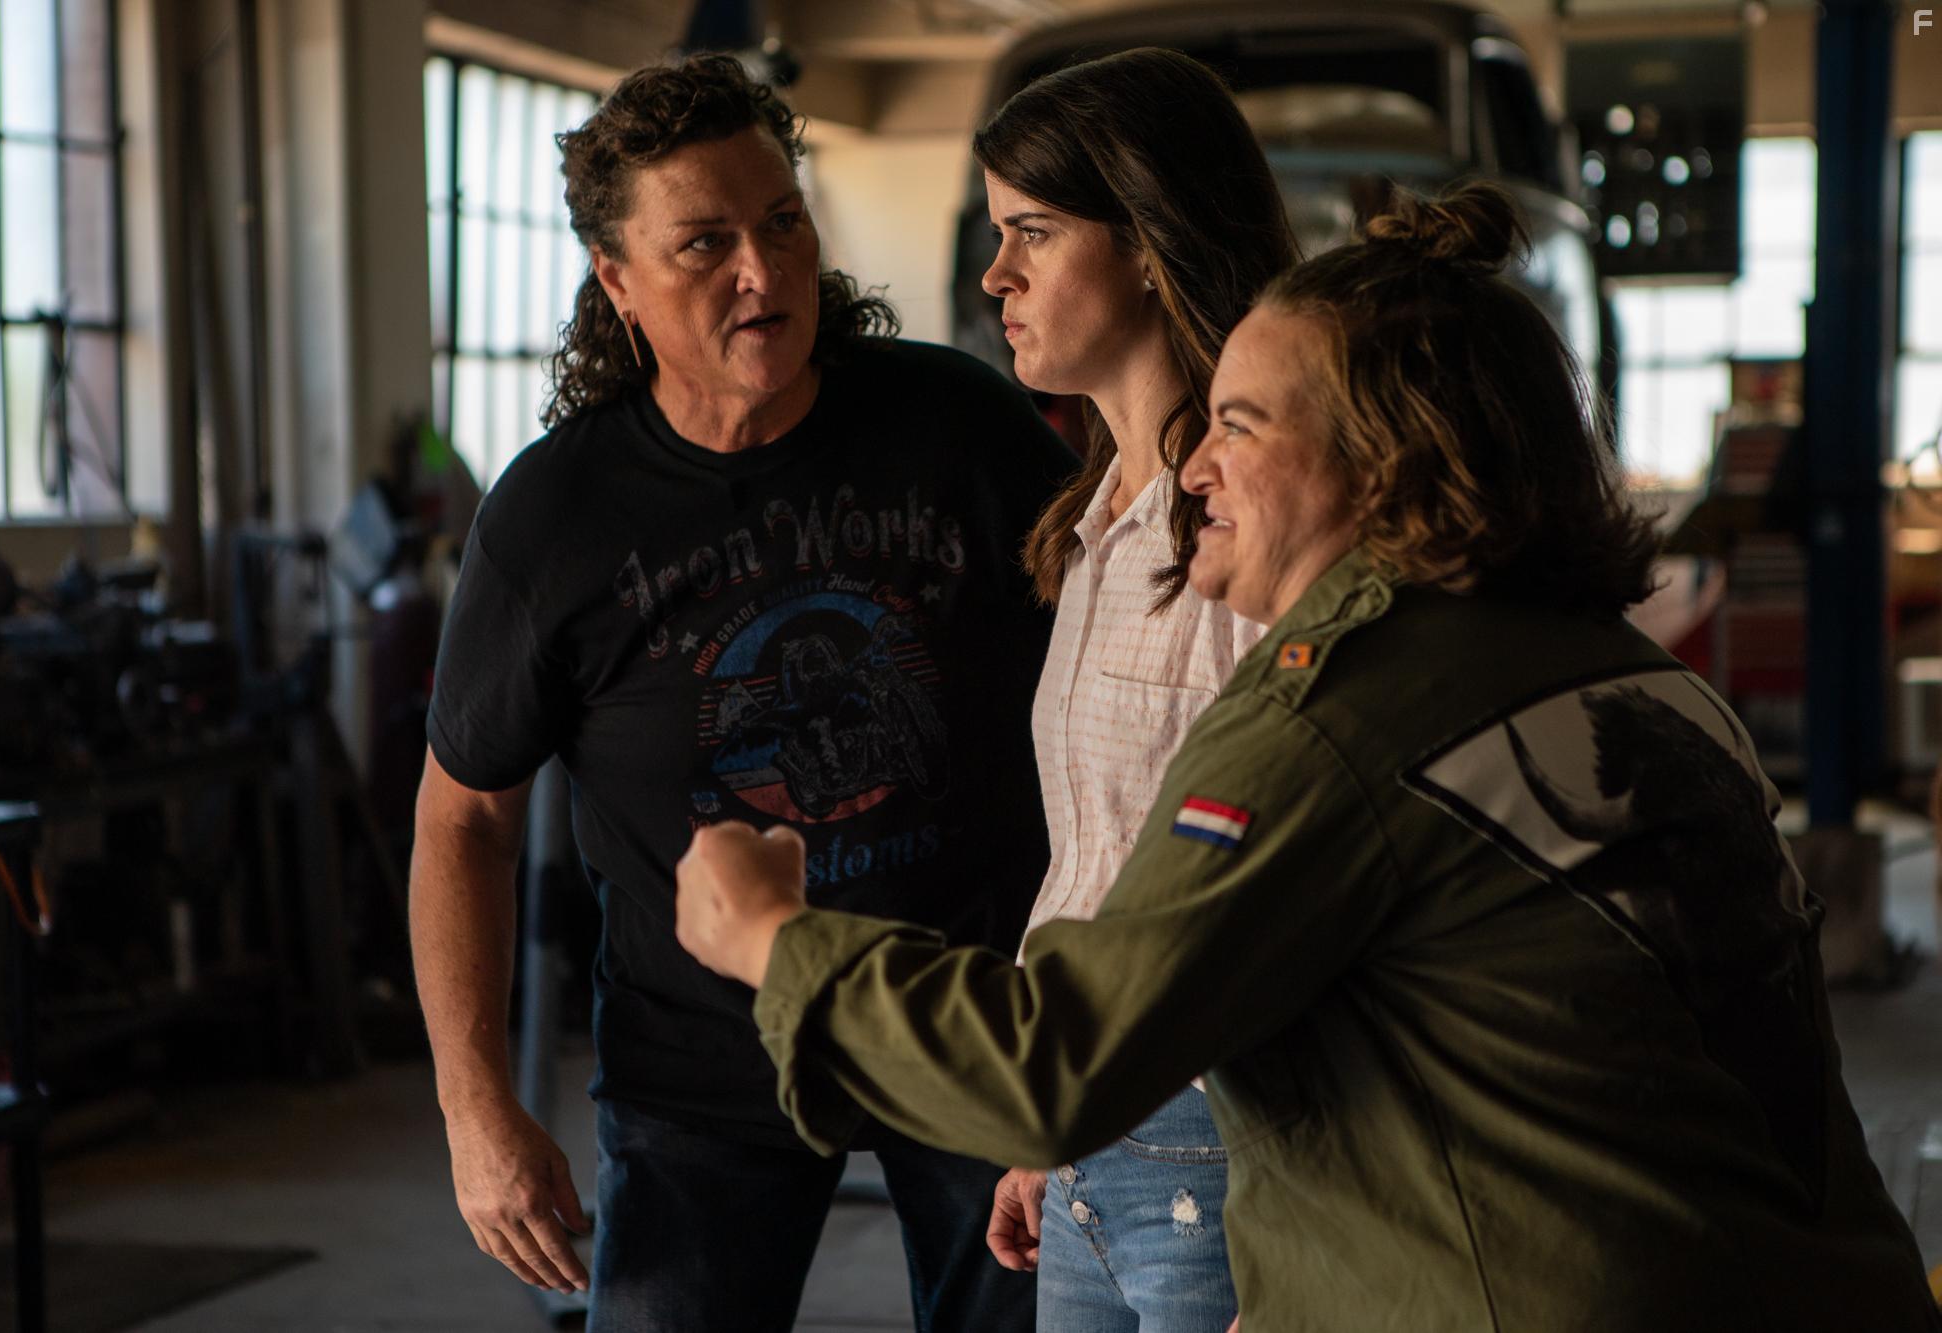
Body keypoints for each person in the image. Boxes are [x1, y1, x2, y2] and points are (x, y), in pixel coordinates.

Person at [673, 182, 1942, 1332]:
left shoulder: (1341, 709)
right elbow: (1522, 1067)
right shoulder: (1639, 677)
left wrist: (773, 937)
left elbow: (1052, 1064)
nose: (1198, 465)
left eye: (1238, 424)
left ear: (1384, 461)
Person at [410, 54, 1071, 1333]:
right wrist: (473, 1104)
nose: (762, 273)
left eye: (780, 221)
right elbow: (463, 820)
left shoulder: (958, 427)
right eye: (703, 243)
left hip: (972, 1028)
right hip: (702, 1069)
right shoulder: (553, 521)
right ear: (617, 281)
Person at [969, 47, 1296, 1332]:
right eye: (999, 236)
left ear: (1150, 242)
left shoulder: (1244, 519)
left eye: (1033, 233)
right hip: (1087, 1122)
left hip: (1213, 1127)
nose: (996, 276)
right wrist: (1038, 1133)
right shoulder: (1100, 520)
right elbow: (1097, 861)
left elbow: (1277, 873)